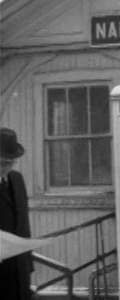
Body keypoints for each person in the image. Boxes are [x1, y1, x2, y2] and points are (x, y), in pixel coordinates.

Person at [0, 127, 34, 300]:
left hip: (20, 271)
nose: (6, 167)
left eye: (10, 162)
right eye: (2, 162)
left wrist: (28, 265)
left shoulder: (17, 179)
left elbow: (23, 223)